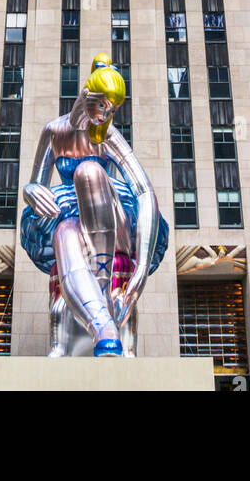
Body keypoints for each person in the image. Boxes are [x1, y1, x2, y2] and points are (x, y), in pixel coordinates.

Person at [21, 53, 169, 357]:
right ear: (87, 95)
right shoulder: (54, 131)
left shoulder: (108, 136)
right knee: (63, 231)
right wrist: (31, 190)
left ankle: (101, 288)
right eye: (102, 104)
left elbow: (144, 191)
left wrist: (141, 267)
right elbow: (35, 180)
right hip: (71, 216)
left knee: (88, 173)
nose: (105, 114)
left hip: (113, 217)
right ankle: (103, 327)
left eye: (111, 109)